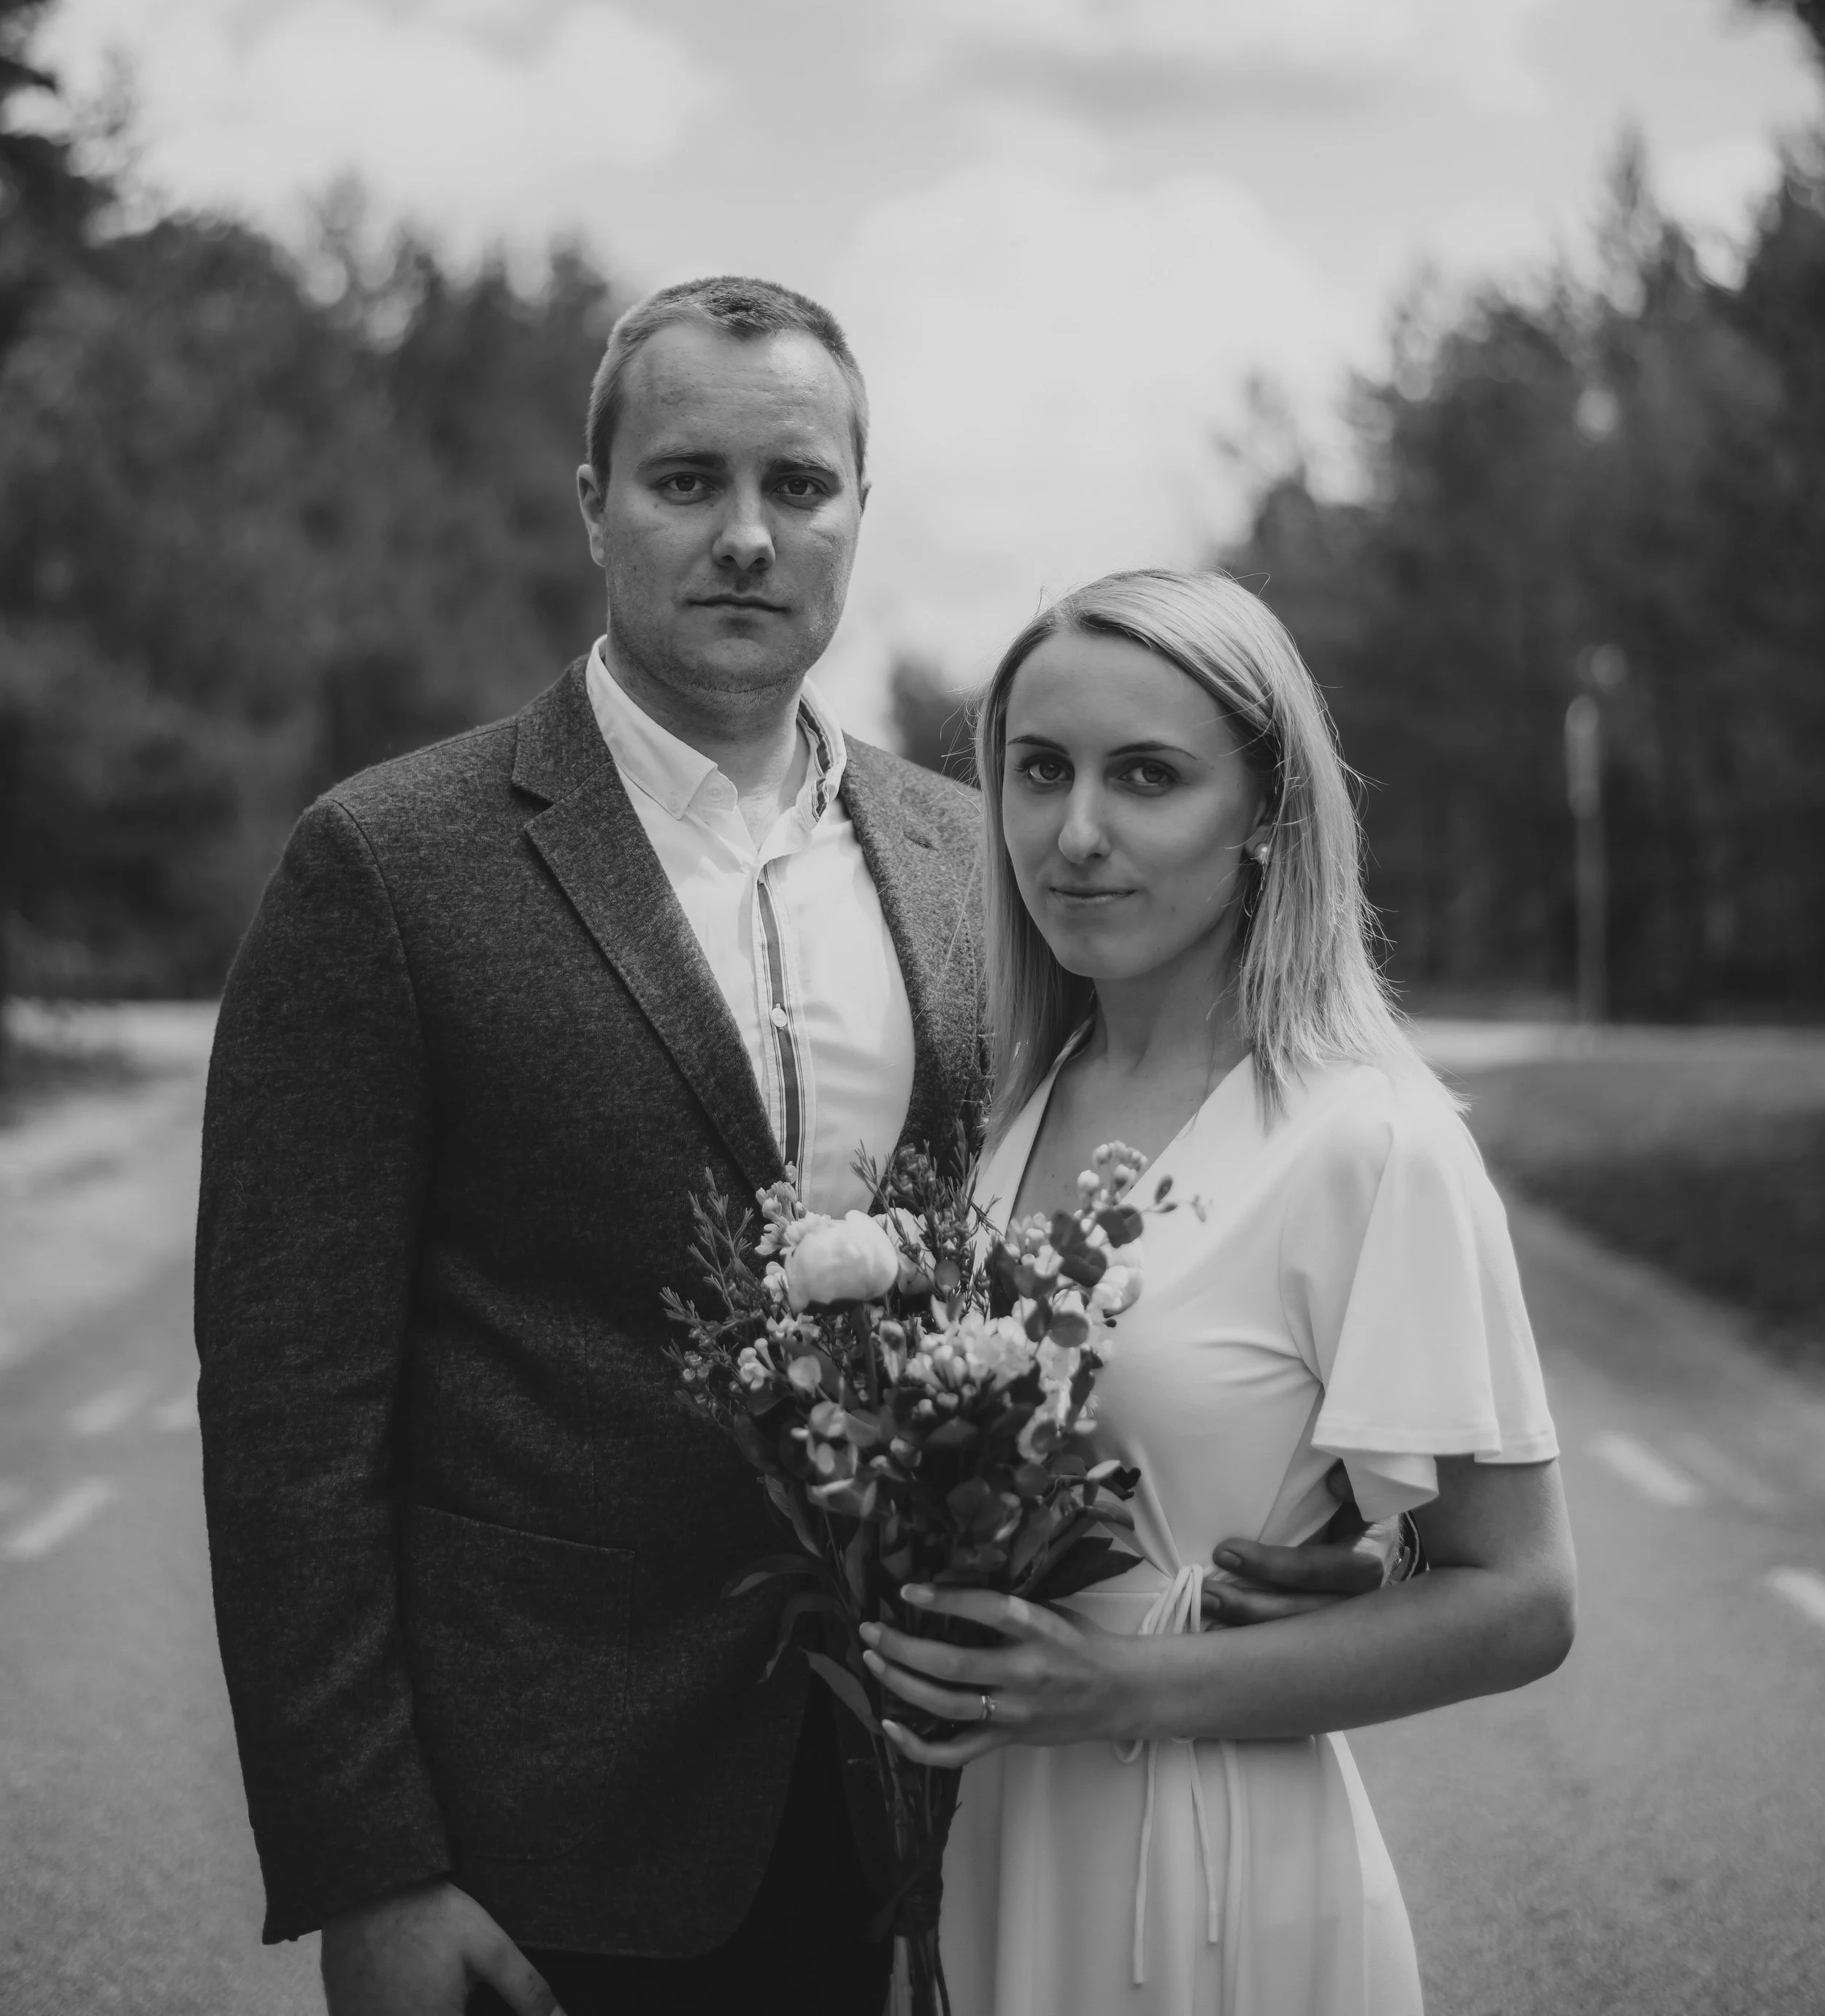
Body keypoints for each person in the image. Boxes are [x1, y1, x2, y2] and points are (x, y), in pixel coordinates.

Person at [196, 284, 1397, 2016]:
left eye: (799, 486)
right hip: (542, 1845)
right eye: (686, 480)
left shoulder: (980, 862)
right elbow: (289, 1424)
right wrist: (367, 1868)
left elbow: (1164, 1221)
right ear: (593, 504)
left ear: (856, 513)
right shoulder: (387, 870)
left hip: (935, 1824)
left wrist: (1328, 1523)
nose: (747, 536)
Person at [860, 569, 1577, 2016]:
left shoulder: (1369, 1141)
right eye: (1039, 771)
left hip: (1198, 1866)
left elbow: (1520, 1599)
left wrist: (1124, 1689)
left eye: (1148, 776)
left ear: (1265, 813)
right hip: (982, 1842)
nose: (1076, 832)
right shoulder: (1013, 1103)